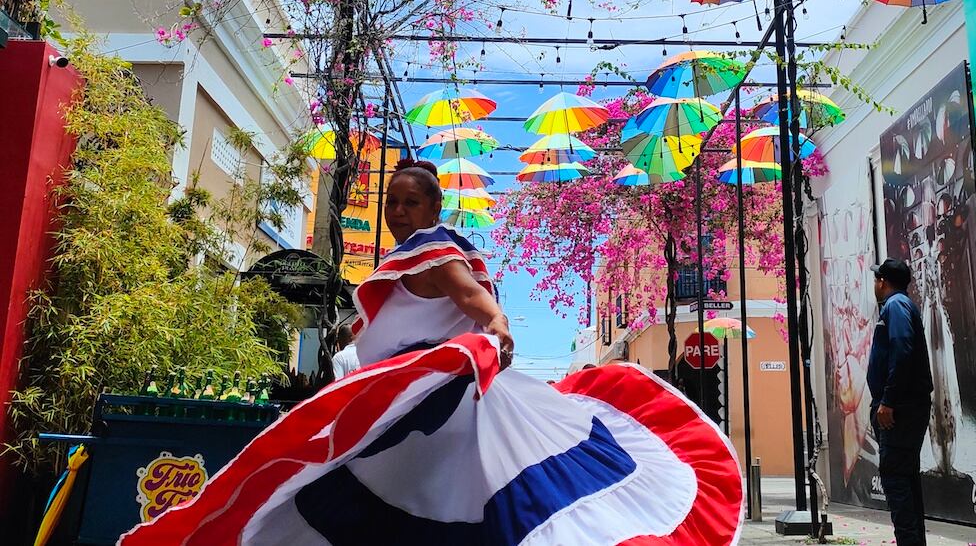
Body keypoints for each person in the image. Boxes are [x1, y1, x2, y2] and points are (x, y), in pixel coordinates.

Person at [121, 159, 744, 546]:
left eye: (408, 202)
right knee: (408, 498)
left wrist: (497, 326)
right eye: (390, 201)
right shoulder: (405, 258)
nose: (395, 211)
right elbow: (377, 327)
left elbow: (472, 298)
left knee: (460, 499)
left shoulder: (435, 252)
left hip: (439, 406)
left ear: (433, 207)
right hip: (405, 410)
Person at [869, 258, 934, 546]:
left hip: (900, 409)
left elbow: (902, 350)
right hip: (908, 406)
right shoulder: (903, 306)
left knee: (896, 480)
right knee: (905, 481)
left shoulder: (895, 306)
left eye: (876, 279)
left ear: (883, 281)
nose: (874, 284)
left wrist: (888, 401)